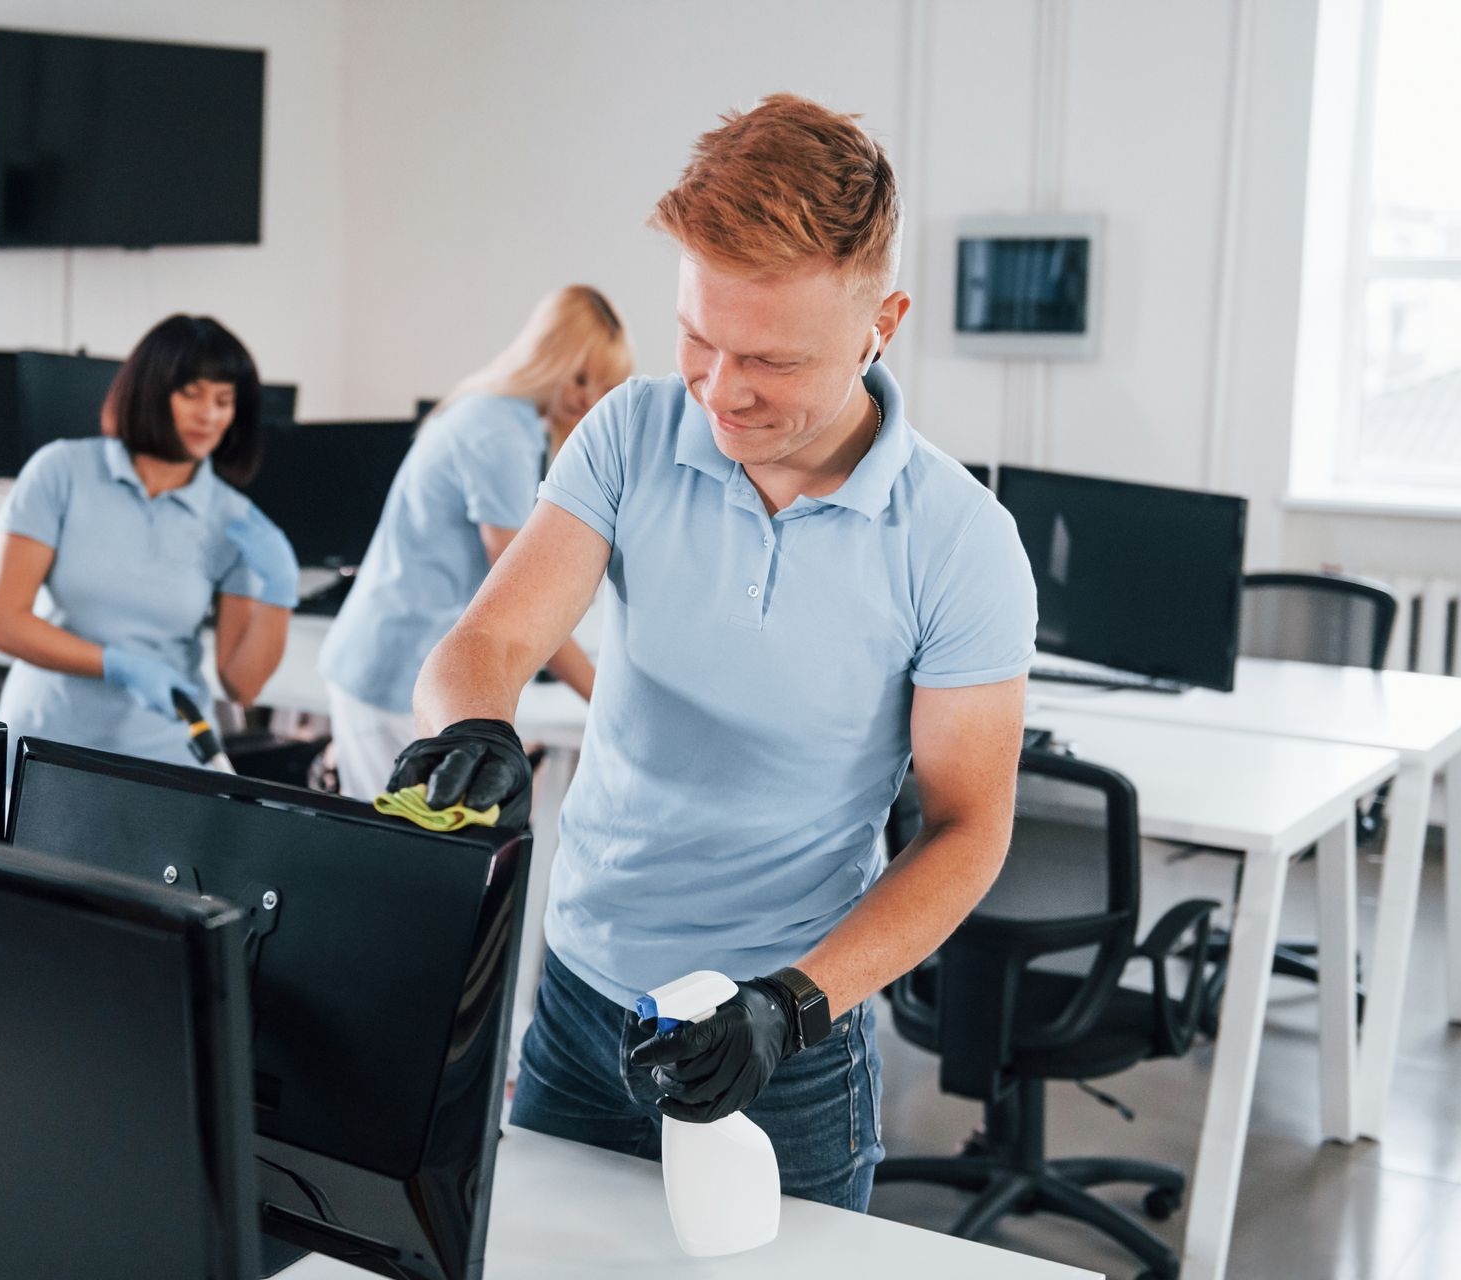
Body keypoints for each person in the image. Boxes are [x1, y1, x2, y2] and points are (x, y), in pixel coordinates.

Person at [384, 96, 1037, 1211]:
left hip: (782, 1033)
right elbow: (486, 638)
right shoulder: (631, 434)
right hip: (582, 999)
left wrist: (790, 1003)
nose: (723, 389)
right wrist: (475, 726)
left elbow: (970, 829)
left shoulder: (958, 540)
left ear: (883, 320)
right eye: (699, 337)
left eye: (774, 360)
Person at [319, 285, 633, 802]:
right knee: (406, 860)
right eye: (580, 377)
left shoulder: (500, 417)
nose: (587, 399)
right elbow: (523, 590)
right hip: (393, 672)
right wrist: (607, 700)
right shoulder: (499, 434)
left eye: (602, 385)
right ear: (545, 357)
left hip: (396, 662)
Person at [0, 314, 299, 771]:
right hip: (45, 741)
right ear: (150, 391)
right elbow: (3, 623)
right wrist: (117, 664)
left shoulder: (234, 520)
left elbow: (241, 686)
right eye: (191, 394)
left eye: (223, 400)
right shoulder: (60, 472)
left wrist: (279, 592)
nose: (208, 415)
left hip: (164, 756)